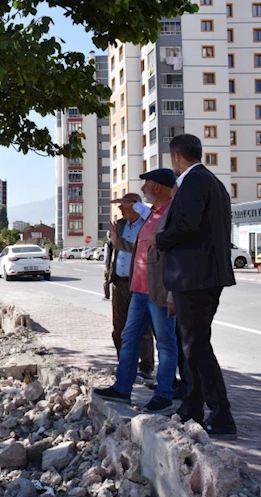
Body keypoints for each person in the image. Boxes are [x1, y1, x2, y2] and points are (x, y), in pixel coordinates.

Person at [147, 134, 237, 437]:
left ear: (175, 157)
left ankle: (221, 414)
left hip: (195, 277)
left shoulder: (193, 182)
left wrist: (158, 239)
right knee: (193, 343)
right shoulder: (213, 182)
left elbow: (186, 226)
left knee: (196, 345)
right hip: (203, 276)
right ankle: (192, 407)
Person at [94, 169, 178, 412]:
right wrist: (116, 239)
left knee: (165, 343)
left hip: (159, 290)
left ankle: (164, 394)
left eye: (147, 184)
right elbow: (135, 248)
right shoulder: (152, 214)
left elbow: (177, 256)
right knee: (129, 337)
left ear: (158, 187)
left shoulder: (171, 214)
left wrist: (173, 293)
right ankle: (122, 388)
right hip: (139, 290)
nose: (143, 189)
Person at [108, 192, 154, 379]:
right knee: (119, 326)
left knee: (142, 327)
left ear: (135, 206)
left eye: (123, 204)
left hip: (139, 283)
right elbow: (111, 249)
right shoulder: (120, 225)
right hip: (119, 281)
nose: (119, 208)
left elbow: (137, 249)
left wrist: (117, 241)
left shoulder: (146, 225)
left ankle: (146, 366)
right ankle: (125, 364)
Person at [102, 232, 113, 300]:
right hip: (117, 264)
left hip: (110, 265)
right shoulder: (118, 242)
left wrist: (106, 266)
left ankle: (107, 295)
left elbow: (107, 255)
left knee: (106, 280)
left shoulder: (108, 243)